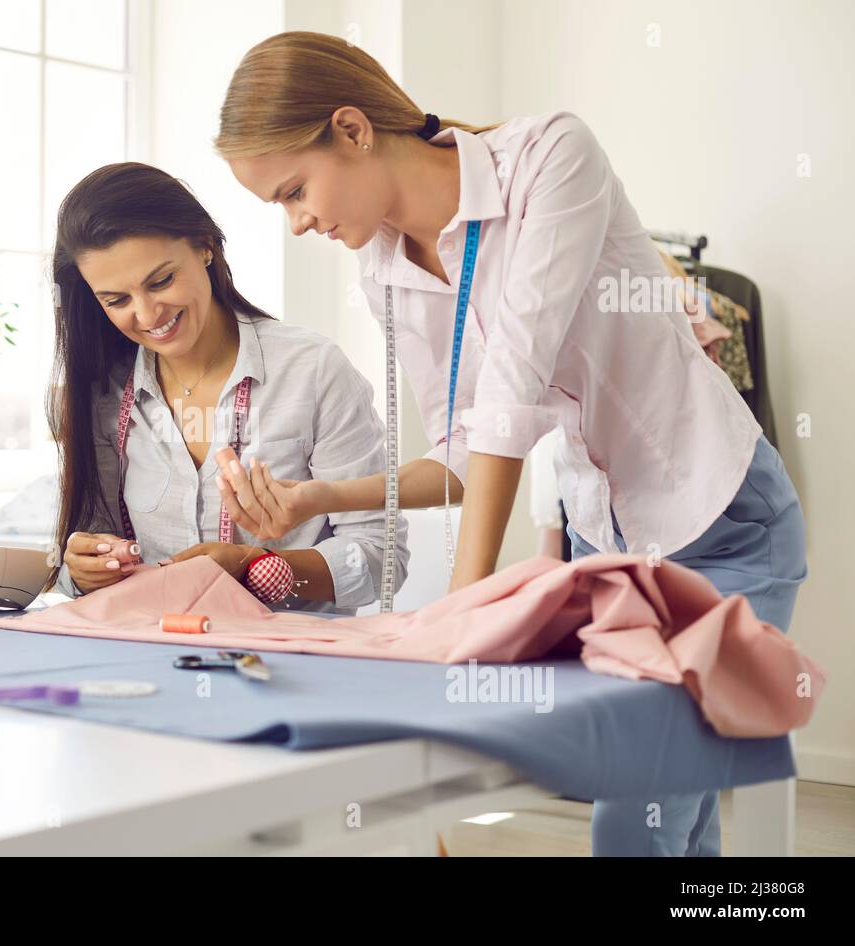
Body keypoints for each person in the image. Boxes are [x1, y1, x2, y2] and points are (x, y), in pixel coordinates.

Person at [213, 31, 806, 854]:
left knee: (637, 813)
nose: (298, 222)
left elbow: (512, 393)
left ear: (350, 130)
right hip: (612, 551)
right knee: (672, 810)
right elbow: (464, 448)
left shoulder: (552, 157)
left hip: (725, 524)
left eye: (293, 192)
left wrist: (463, 616)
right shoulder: (384, 267)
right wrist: (322, 498)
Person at [48, 162, 407, 615]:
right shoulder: (103, 394)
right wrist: (81, 571)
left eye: (161, 281)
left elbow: (382, 559)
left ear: (205, 247)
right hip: (148, 655)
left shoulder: (311, 370)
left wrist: (261, 569)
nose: (147, 314)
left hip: (289, 666)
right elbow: (79, 552)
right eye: (116, 300)